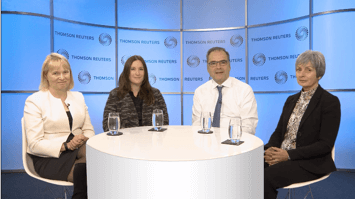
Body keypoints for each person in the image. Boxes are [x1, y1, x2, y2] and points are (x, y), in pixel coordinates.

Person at [264, 50, 341, 199]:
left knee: (266, 177)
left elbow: (325, 145)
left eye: (308, 70)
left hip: (309, 162)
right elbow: (279, 132)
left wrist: (288, 155)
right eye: (299, 69)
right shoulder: (291, 100)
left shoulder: (330, 102)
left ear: (319, 74)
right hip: (282, 154)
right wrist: (270, 150)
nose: (302, 74)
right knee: (248, 169)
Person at [24, 53, 95, 199]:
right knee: (94, 173)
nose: (62, 77)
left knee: (96, 154)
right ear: (46, 76)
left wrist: (82, 138)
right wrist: (66, 146)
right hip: (50, 157)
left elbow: (88, 130)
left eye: (65, 72)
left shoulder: (79, 97)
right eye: (56, 73)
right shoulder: (34, 101)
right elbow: (34, 144)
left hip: (78, 149)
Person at [192, 47, 258, 134]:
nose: (218, 67)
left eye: (223, 62)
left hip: (235, 144)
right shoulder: (199, 91)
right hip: (206, 144)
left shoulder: (245, 90)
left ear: (229, 66)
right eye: (213, 63)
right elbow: (196, 126)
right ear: (208, 68)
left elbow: (249, 128)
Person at [103, 55, 169, 131]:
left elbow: (165, 123)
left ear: (145, 72)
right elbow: (107, 125)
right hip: (124, 141)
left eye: (141, 69)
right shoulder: (115, 94)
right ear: (127, 72)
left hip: (151, 141)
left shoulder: (156, 94)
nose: (137, 73)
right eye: (133, 69)